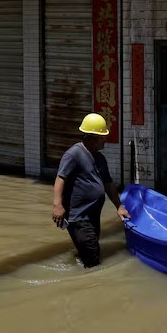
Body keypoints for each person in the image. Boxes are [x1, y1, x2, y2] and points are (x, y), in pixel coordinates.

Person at [52, 112, 130, 268]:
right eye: (102, 137)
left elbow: (108, 184)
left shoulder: (99, 158)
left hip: (93, 215)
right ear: (91, 137)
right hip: (79, 217)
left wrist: (119, 207)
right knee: (93, 260)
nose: (105, 141)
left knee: (89, 250)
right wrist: (57, 205)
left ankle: (79, 261)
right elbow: (60, 178)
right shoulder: (74, 154)